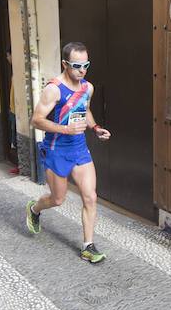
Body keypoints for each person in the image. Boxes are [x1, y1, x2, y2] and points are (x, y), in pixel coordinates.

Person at [26, 42, 111, 263]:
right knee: (57, 199)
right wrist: (66, 129)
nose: (82, 71)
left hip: (79, 148)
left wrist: (95, 128)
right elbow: (36, 121)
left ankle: (87, 246)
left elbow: (85, 110)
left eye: (86, 65)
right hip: (56, 150)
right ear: (65, 64)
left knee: (90, 197)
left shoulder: (87, 88)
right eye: (76, 66)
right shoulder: (54, 89)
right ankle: (35, 209)